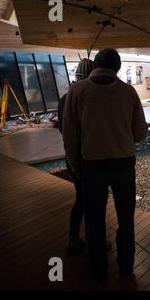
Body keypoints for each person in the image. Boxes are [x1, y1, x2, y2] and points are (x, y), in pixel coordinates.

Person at [63, 48, 148, 281]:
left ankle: (98, 268)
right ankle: (126, 266)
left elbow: (69, 135)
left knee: (94, 219)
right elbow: (140, 133)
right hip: (123, 164)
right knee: (126, 218)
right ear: (118, 67)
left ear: (95, 65)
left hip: (91, 166)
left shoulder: (77, 91)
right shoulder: (128, 92)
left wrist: (75, 167)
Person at [58, 58, 95, 254]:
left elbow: (64, 132)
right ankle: (91, 242)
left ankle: (75, 239)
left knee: (82, 198)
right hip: (86, 158)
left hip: (71, 156)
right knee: (89, 200)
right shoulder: (86, 97)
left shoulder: (65, 98)